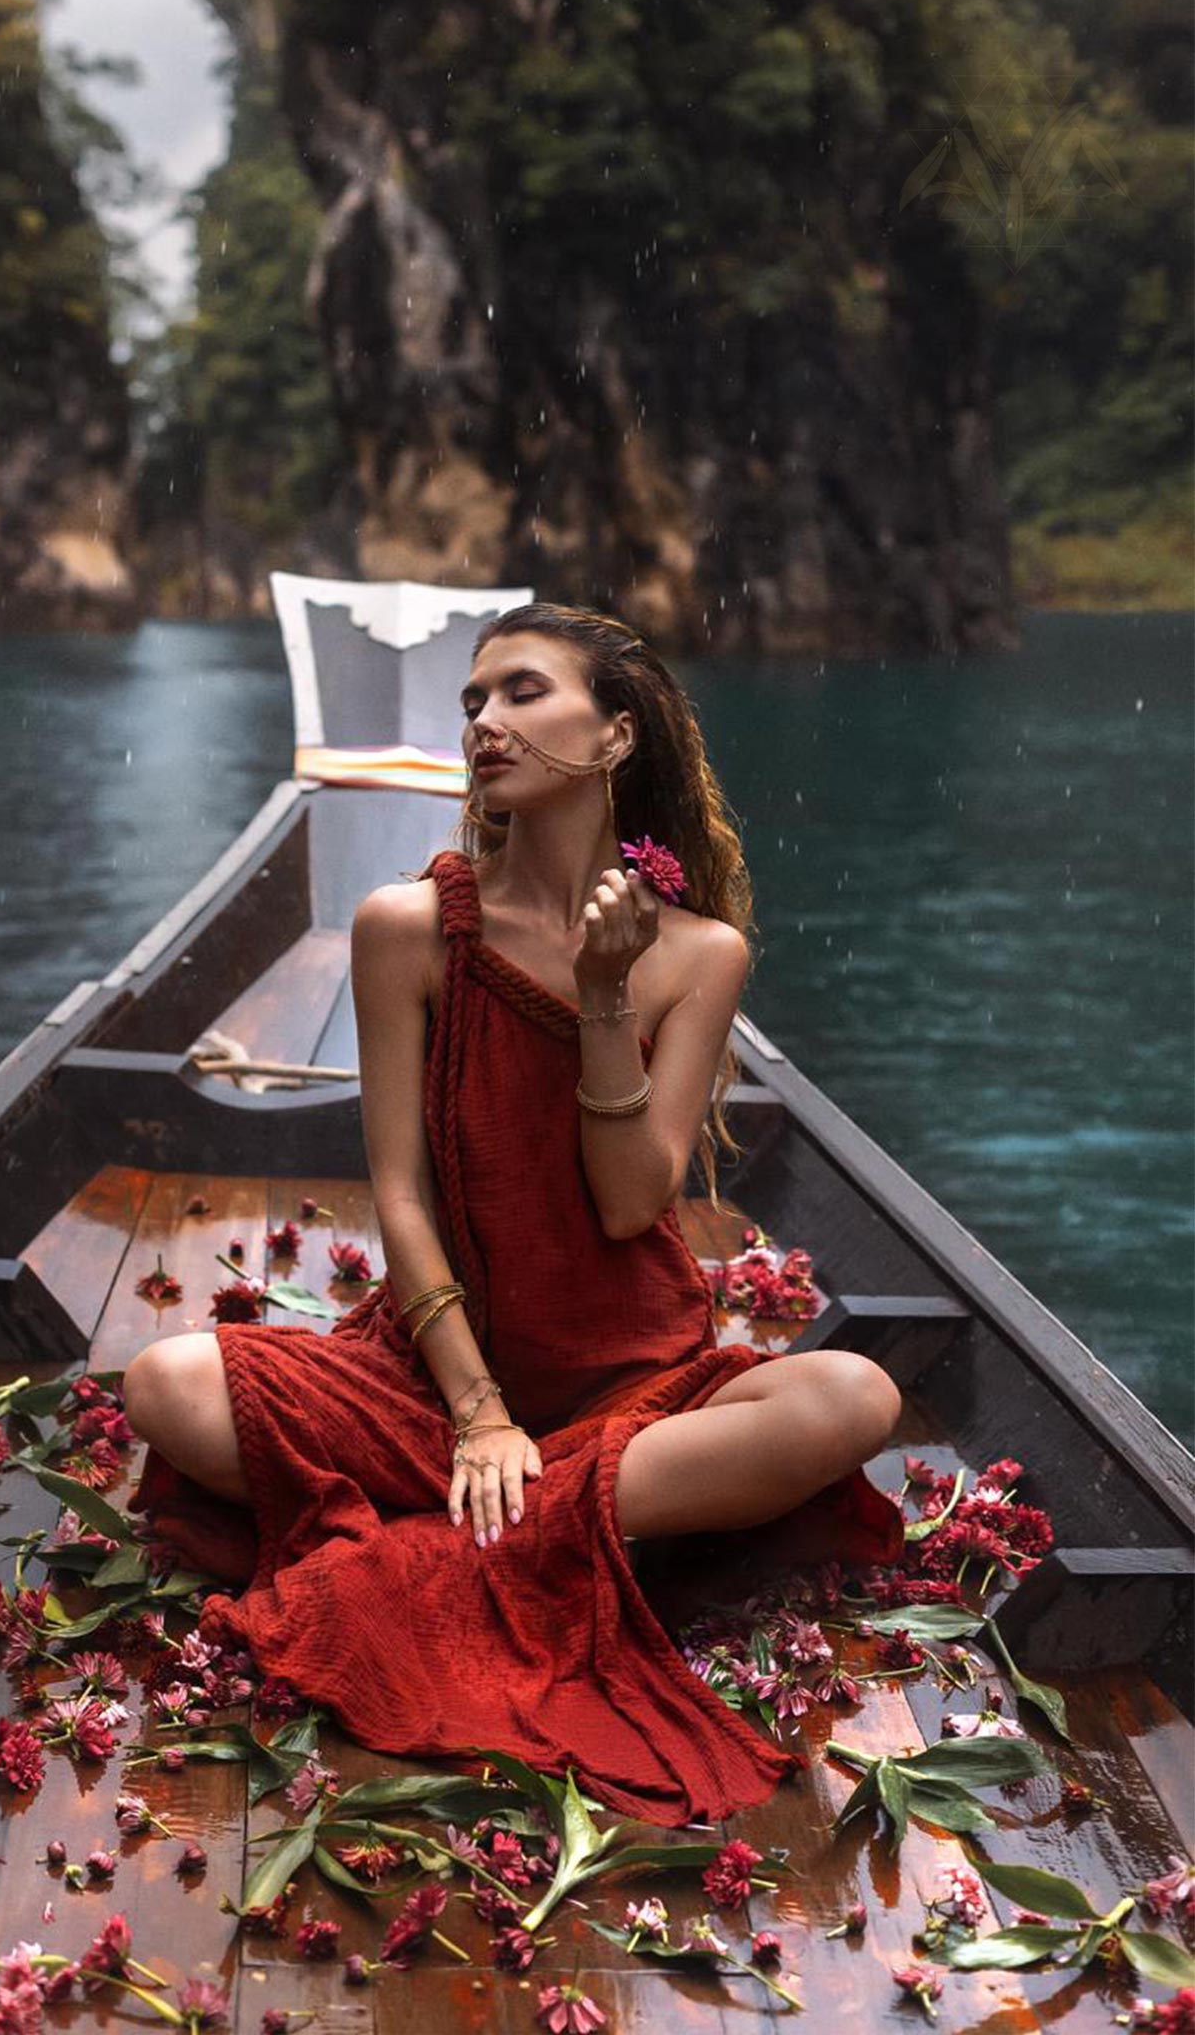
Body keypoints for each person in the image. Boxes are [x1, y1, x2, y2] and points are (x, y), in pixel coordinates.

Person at [122, 601, 905, 1827]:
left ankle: (483, 1537)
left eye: (522, 693)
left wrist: (604, 995)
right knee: (166, 1384)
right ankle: (547, 1521)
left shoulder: (701, 952)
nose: (485, 721)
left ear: (613, 735)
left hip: (630, 1381)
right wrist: (478, 1410)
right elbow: (398, 1192)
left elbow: (633, 1197)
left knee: (853, 1396)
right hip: (436, 1382)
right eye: (474, 701)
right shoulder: (408, 926)